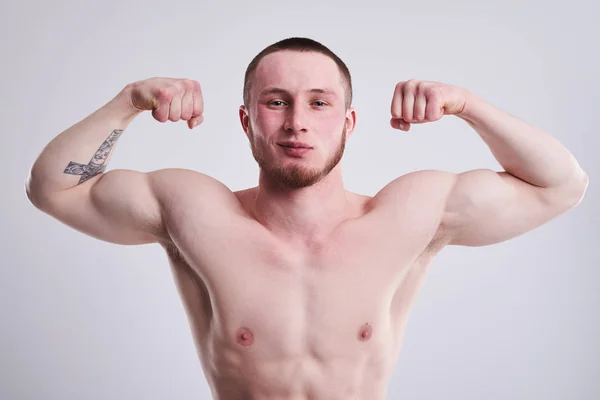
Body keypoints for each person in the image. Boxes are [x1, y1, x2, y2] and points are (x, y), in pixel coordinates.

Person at [25, 37, 588, 399]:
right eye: (276, 102)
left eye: (319, 103)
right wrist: (128, 101)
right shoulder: (192, 209)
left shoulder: (407, 214)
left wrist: (469, 105)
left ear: (348, 122)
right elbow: (52, 188)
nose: (297, 122)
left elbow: (562, 184)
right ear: (247, 121)